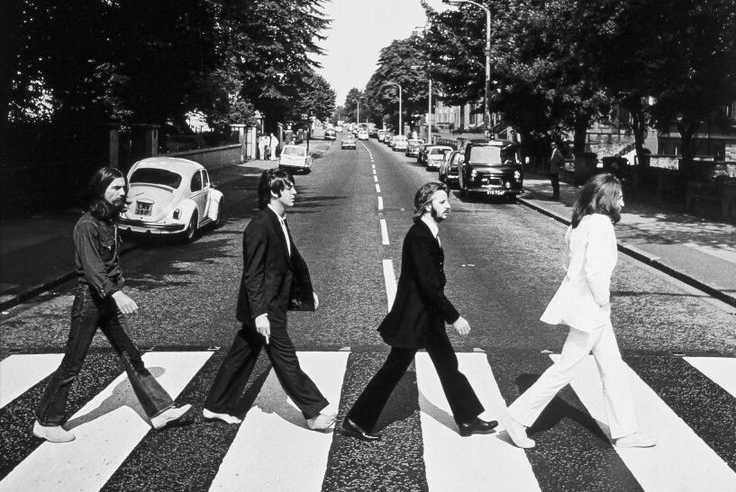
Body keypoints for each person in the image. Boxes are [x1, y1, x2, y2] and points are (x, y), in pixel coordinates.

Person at [34, 168, 190, 443]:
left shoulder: (110, 221)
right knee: (73, 364)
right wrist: (116, 294)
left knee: (132, 356)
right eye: (116, 188)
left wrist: (118, 287)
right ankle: (46, 422)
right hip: (91, 302)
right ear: (100, 190)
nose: (122, 193)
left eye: (124, 188)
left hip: (108, 300)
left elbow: (111, 263)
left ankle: (161, 410)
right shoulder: (87, 225)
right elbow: (93, 270)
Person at [502, 173, 655, 450]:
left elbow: (568, 264)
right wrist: (603, 301)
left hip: (587, 308)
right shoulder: (601, 225)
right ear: (607, 199)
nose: (623, 202)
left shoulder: (579, 223)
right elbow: (595, 271)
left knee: (612, 368)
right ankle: (517, 417)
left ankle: (625, 432)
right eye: (619, 196)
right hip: (592, 310)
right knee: (565, 369)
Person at [341, 182, 497, 441]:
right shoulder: (419, 237)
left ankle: (467, 419)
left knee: (448, 366)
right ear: (427, 206)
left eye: (447, 201)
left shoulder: (429, 232)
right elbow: (428, 286)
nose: (448, 207)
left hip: (427, 318)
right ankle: (356, 420)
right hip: (415, 319)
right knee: (394, 369)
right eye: (442, 202)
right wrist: (455, 317)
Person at [203, 169, 334, 430]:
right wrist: (260, 313)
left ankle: (215, 405)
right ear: (274, 192)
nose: (295, 192)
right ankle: (313, 412)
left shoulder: (279, 220)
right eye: (290, 188)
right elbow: (253, 274)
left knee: (242, 354)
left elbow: (285, 266)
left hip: (272, 302)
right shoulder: (260, 225)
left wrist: (305, 295)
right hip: (266, 307)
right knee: (285, 359)